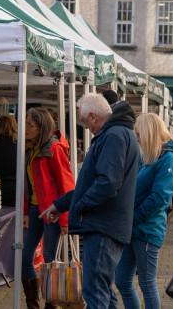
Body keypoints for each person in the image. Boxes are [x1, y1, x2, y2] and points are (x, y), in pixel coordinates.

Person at [40, 93, 140, 309]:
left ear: (94, 116)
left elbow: (107, 183)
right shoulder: (119, 133)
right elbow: (95, 183)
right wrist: (62, 204)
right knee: (102, 289)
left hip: (103, 225)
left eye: (86, 123)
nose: (87, 128)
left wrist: (81, 205)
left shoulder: (113, 136)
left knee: (94, 290)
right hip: (108, 224)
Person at [115, 113, 173, 309]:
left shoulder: (168, 158)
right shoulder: (149, 156)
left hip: (147, 229)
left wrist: (133, 218)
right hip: (133, 227)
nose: (136, 137)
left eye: (138, 133)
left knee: (146, 282)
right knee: (122, 280)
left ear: (148, 132)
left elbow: (160, 197)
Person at [21, 108, 75, 309]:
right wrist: (26, 212)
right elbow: (27, 184)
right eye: (25, 123)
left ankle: (51, 305)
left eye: (30, 125)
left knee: (51, 261)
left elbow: (67, 186)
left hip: (53, 212)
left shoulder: (54, 149)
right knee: (25, 257)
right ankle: (33, 305)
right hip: (35, 210)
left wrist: (64, 219)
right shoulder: (30, 149)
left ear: (42, 128)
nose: (25, 128)